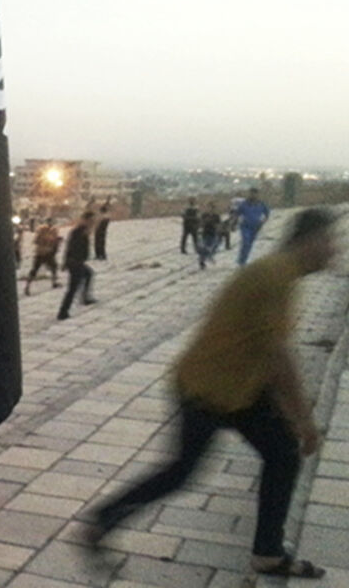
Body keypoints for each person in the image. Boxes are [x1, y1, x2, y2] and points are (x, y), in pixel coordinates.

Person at [86, 209, 336, 580]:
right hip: (207, 389)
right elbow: (278, 356)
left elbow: (267, 352)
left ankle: (268, 552)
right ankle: (103, 517)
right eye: (330, 241)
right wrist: (305, 422)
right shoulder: (275, 276)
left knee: (282, 454)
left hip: (238, 389)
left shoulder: (280, 274)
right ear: (309, 240)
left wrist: (286, 412)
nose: (334, 250)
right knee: (181, 472)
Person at [57, 212, 97, 321]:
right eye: (91, 220)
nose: (93, 223)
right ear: (85, 220)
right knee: (72, 288)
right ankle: (62, 312)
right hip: (75, 263)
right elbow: (70, 247)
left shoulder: (82, 231)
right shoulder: (79, 231)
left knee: (88, 274)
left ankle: (85, 298)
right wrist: (66, 262)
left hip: (77, 262)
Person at [23, 219, 61, 296]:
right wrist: (46, 241)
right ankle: (27, 287)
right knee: (35, 270)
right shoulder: (42, 230)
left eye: (52, 223)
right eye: (50, 222)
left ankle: (54, 282)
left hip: (47, 253)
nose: (50, 224)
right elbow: (36, 241)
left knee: (53, 267)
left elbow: (54, 242)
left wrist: (56, 242)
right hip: (41, 253)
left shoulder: (54, 231)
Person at [235, 187, 271, 266]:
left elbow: (267, 214)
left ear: (257, 195)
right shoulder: (244, 203)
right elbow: (237, 213)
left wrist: (263, 222)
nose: (253, 195)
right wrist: (234, 221)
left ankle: (243, 259)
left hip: (255, 227)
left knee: (250, 244)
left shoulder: (261, 204)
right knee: (246, 242)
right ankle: (242, 261)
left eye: (255, 194)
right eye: (251, 193)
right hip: (245, 226)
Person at [196, 204, 222, 269]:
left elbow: (219, 225)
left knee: (212, 247)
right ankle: (202, 262)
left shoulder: (216, 216)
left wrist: (217, 229)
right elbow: (201, 223)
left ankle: (209, 256)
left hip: (213, 233)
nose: (210, 209)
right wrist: (200, 228)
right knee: (204, 248)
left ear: (214, 209)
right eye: (209, 208)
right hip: (205, 233)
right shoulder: (204, 215)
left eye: (211, 208)